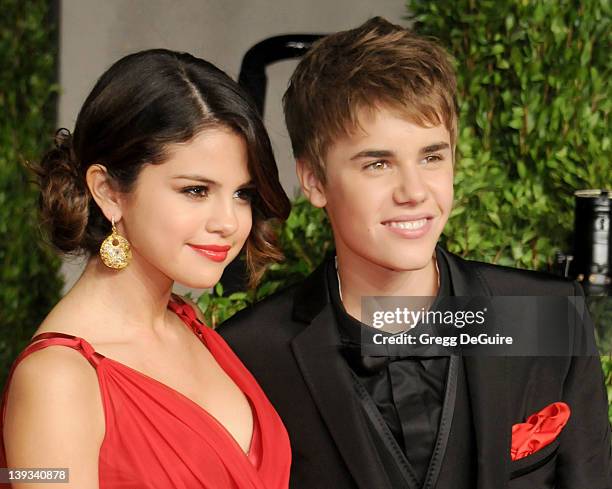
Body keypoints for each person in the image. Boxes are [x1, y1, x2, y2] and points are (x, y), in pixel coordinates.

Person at [218, 17, 612, 489]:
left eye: (431, 156)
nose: (414, 191)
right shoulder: (249, 355)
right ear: (314, 181)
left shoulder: (549, 318)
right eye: (378, 163)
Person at [0, 49, 292, 488]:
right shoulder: (54, 382)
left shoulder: (194, 329)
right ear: (109, 191)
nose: (229, 222)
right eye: (196, 190)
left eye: (242, 194)